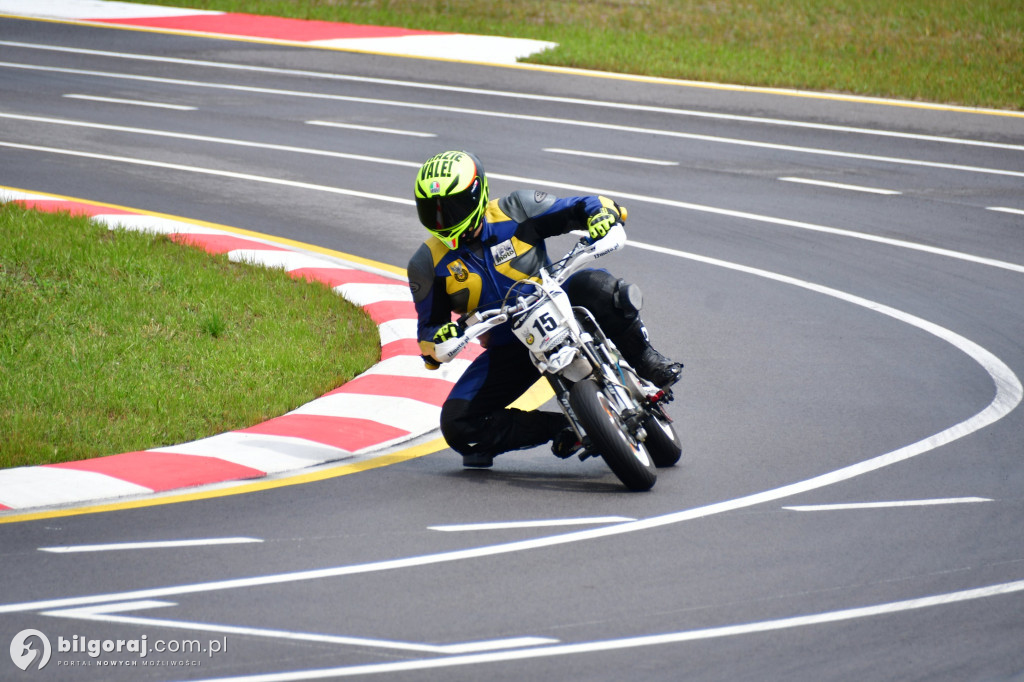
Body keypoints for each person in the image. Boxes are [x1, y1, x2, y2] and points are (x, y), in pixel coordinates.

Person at [408, 150, 682, 468]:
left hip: (556, 301)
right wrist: (439, 340)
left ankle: (647, 360)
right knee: (458, 425)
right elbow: (428, 334)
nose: (445, 219)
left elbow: (580, 206)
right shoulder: (426, 263)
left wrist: (601, 214)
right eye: (434, 211)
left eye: (453, 207)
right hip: (509, 346)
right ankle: (562, 429)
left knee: (596, 284)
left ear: (478, 194)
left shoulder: (516, 208)